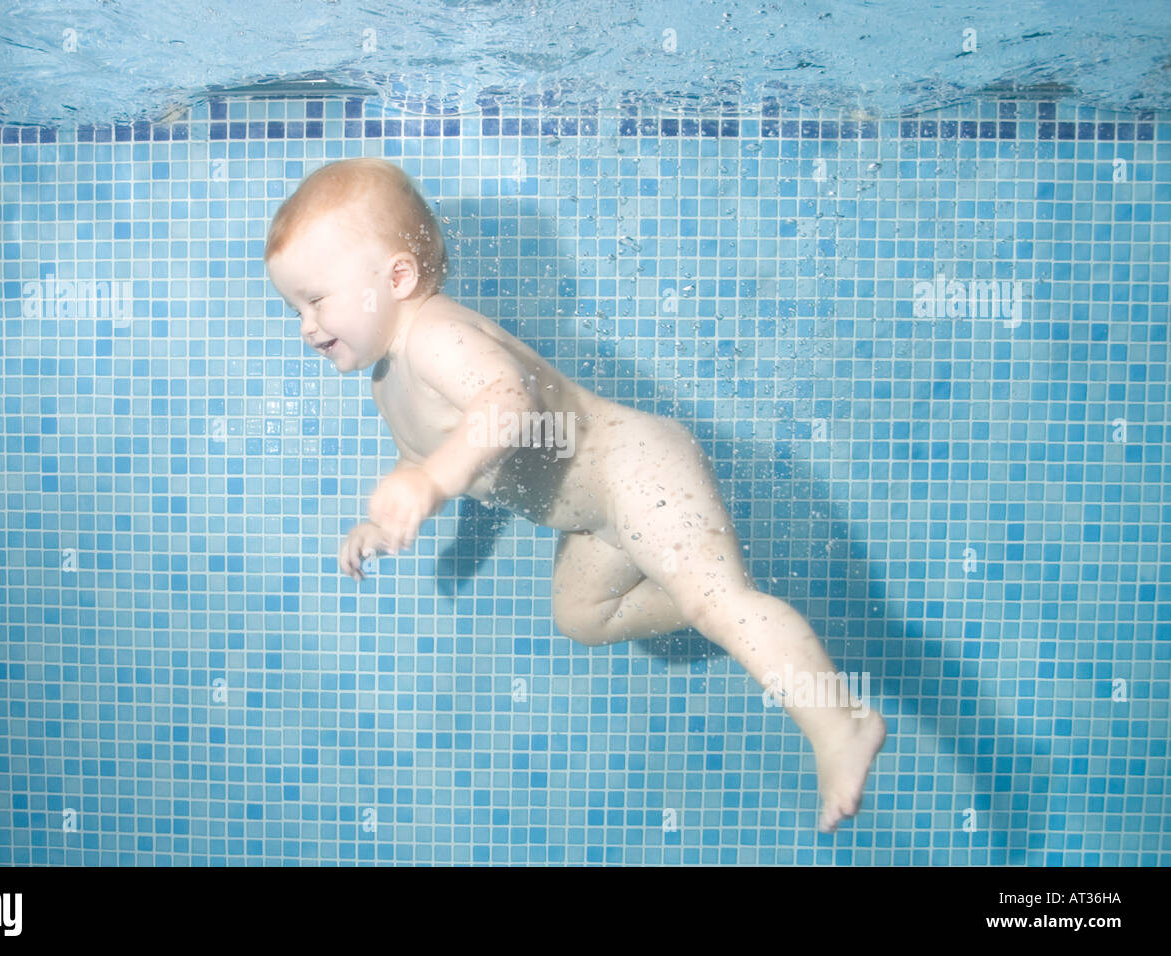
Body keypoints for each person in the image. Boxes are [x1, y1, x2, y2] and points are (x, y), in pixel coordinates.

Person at [264, 157, 886, 833]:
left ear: (397, 277)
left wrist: (433, 481)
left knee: (720, 605)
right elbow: (424, 456)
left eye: (316, 299)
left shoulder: (436, 335)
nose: (305, 324)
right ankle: (712, 595)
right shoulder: (388, 381)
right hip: (593, 523)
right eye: (294, 306)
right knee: (583, 617)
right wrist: (383, 522)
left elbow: (509, 404)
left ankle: (839, 722)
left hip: (636, 470)